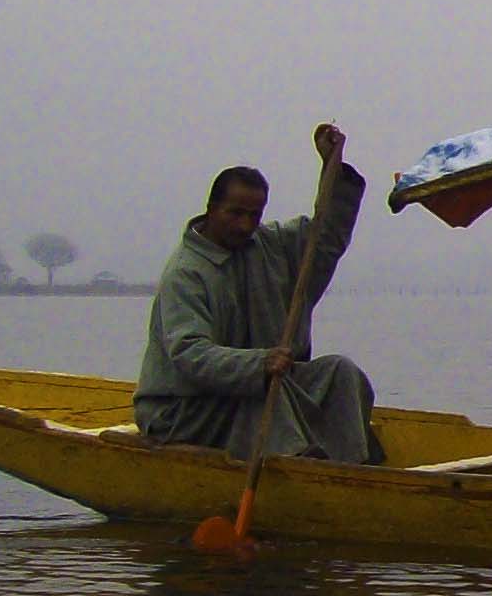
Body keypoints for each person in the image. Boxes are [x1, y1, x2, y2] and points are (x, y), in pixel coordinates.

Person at [135, 122, 379, 462]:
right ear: (211, 209)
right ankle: (298, 469)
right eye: (235, 213)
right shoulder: (185, 273)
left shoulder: (271, 245)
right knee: (265, 391)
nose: (245, 225)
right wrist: (259, 364)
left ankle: (353, 466)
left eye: (254, 215)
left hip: (259, 386)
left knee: (340, 373)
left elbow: (325, 237)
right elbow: (191, 354)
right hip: (182, 412)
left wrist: (332, 168)